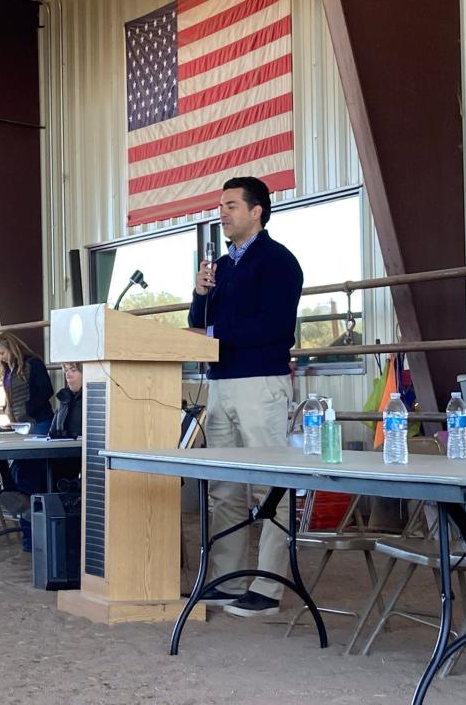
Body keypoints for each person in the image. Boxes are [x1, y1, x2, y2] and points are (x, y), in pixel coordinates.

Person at [188, 176, 303, 617]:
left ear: (257, 211)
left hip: (260, 383)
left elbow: (274, 326)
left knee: (269, 484)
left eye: (232, 205)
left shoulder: (278, 262)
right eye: (221, 205)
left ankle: (268, 587)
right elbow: (200, 324)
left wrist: (212, 331)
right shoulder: (221, 266)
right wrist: (200, 295)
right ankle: (228, 576)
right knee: (224, 486)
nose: (223, 212)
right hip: (221, 383)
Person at [1, 361, 83, 551]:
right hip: (58, 452)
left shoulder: (91, 401)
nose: (68, 375)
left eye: (73, 370)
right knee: (21, 465)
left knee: (28, 473)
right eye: (65, 370)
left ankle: (26, 507)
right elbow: (54, 430)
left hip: (74, 459)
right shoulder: (64, 399)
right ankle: (22, 502)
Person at [0, 331, 55, 434]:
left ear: (12, 349)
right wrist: (6, 408)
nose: (0, 358)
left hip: (39, 420)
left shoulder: (33, 363)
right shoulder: (8, 370)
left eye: (2, 353)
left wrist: (29, 408)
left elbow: (47, 389)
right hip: (20, 423)